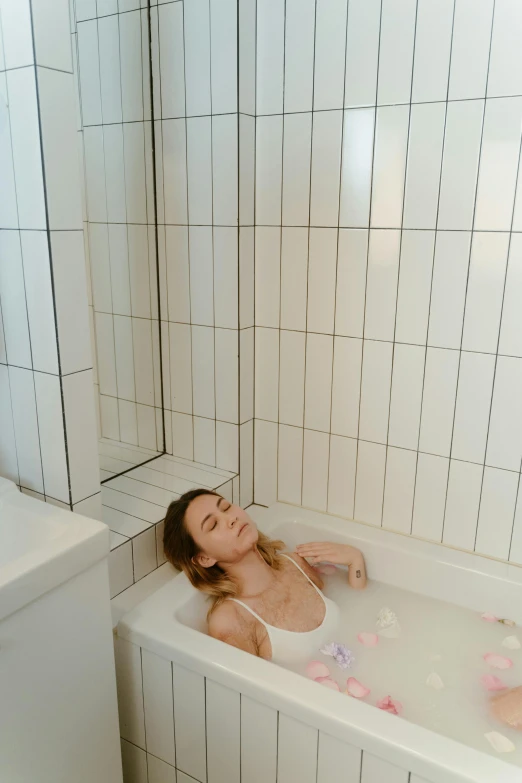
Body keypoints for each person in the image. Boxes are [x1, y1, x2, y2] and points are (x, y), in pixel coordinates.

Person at [163, 488, 367, 666]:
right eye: (213, 525)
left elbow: (358, 609)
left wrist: (354, 559)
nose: (230, 518)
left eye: (226, 507)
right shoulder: (230, 620)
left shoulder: (294, 564)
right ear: (205, 558)